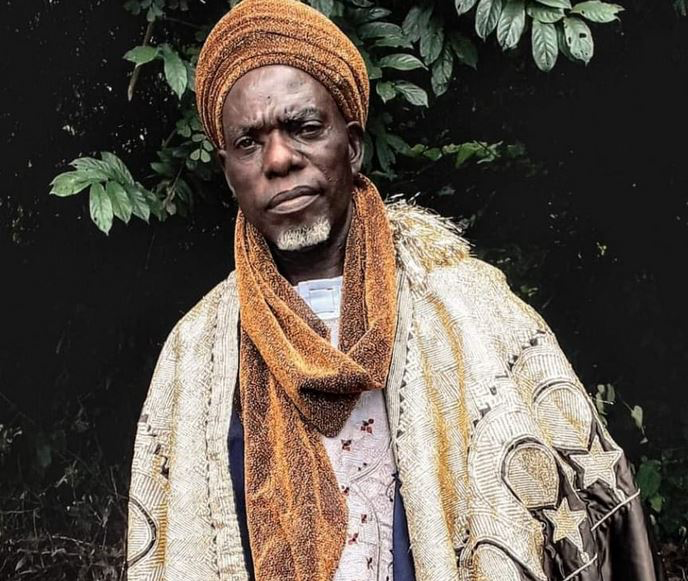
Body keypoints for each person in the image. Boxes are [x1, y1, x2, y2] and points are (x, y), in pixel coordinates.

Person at [126, 0, 663, 579]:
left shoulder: (468, 308)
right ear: (228, 169)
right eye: (248, 143)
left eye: (304, 128)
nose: (278, 159)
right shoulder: (194, 355)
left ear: (353, 145)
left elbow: (589, 509)